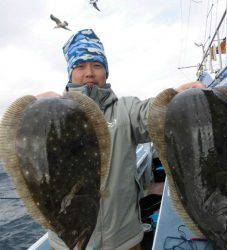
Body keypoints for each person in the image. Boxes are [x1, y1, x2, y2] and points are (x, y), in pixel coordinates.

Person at [36, 29, 205, 250]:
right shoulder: (51, 116)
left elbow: (152, 113)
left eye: (97, 65)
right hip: (67, 243)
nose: (89, 73)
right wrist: (29, 107)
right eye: (80, 66)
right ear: (70, 73)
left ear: (106, 71)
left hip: (124, 241)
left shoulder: (126, 110)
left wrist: (175, 98)